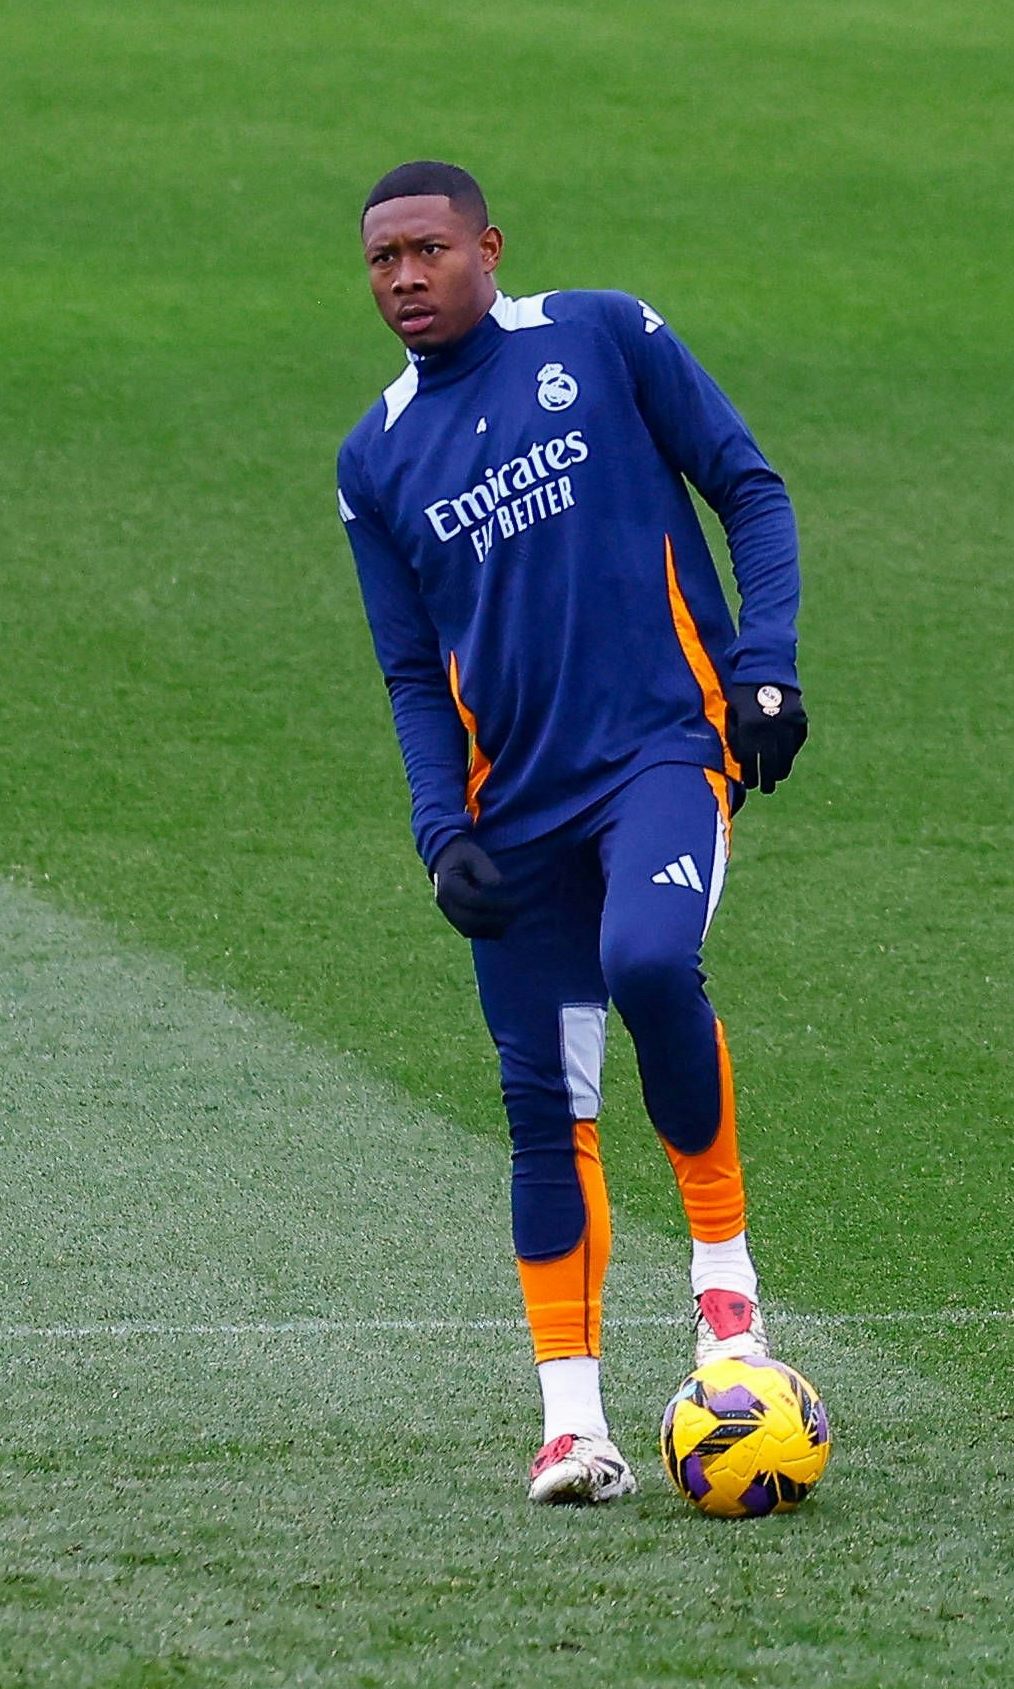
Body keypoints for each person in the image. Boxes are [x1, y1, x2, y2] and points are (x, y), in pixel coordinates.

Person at [334, 161, 811, 1503]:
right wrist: (443, 833)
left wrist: (766, 664)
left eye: (428, 251)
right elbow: (415, 673)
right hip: (515, 815)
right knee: (547, 1105)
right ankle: (574, 1426)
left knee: (653, 960)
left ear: (488, 247)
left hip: (664, 749)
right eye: (382, 262)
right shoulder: (373, 460)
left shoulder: (600, 335)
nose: (405, 280)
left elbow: (750, 487)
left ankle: (724, 1279)